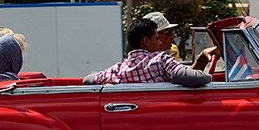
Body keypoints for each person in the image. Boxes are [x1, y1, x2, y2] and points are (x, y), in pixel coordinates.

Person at [83, 12, 216, 87]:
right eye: (167, 33)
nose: (173, 36)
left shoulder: (119, 68)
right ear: (147, 40)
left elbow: (89, 79)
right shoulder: (161, 60)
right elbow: (188, 77)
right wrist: (212, 79)